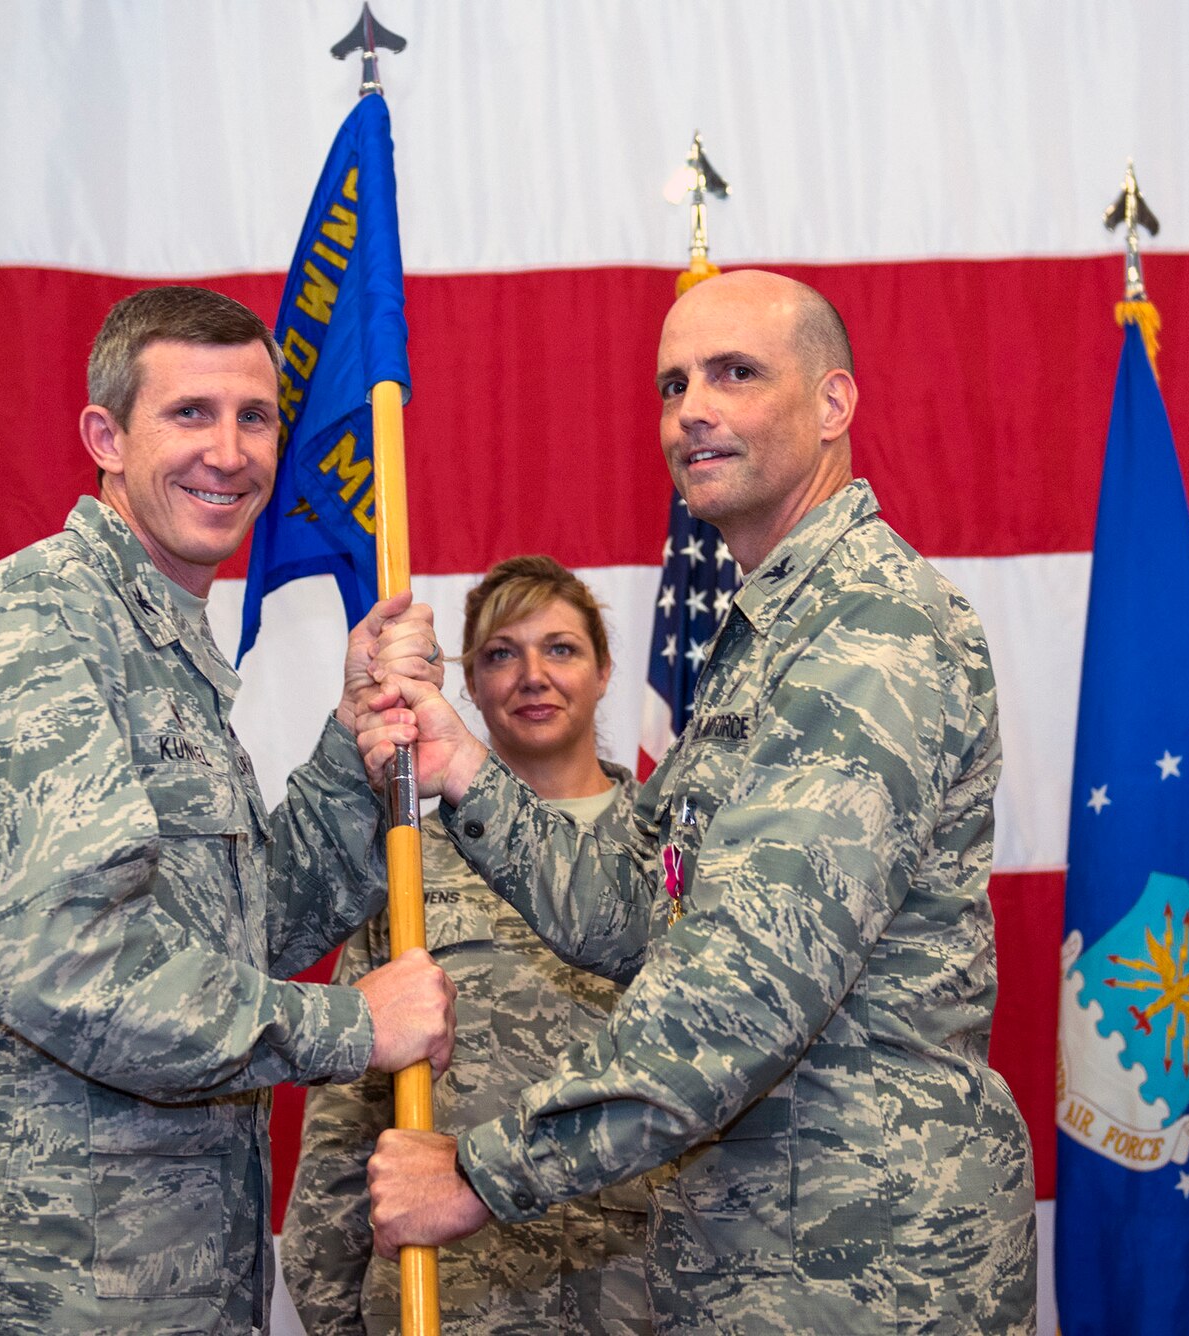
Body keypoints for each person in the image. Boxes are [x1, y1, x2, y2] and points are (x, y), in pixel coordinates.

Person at [356, 270, 1038, 1333]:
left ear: (832, 404)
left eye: (735, 374)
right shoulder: (770, 632)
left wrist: (484, 1172)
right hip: (760, 1258)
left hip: (858, 1272)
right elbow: (643, 905)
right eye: (673, 385)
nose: (692, 411)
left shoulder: (870, 627)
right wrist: (465, 773)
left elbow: (750, 976)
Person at [0, 285, 457, 1336]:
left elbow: (233, 931)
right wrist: (352, 1025)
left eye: (254, 417)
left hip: (148, 1279)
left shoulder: (159, 639)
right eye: (189, 413)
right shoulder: (38, 627)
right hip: (34, 1285)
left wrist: (354, 744)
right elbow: (69, 965)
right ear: (106, 438)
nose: (229, 451)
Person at [282, 557, 655, 1336]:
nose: (532, 675)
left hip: (640, 1298)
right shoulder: (407, 867)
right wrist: (337, 1318)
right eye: (501, 654)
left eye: (560, 649)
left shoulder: (666, 859)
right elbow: (344, 1127)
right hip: (450, 1300)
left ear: (604, 670)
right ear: (471, 684)